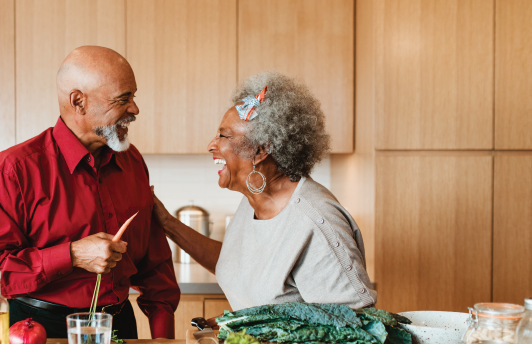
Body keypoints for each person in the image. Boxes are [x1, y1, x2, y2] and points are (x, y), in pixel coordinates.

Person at [0, 46, 180, 339]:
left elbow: (154, 266)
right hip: (38, 333)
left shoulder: (133, 163)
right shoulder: (12, 170)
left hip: (120, 328)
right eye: (123, 99)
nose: (134, 109)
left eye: (133, 96)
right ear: (78, 101)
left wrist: (162, 340)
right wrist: (72, 255)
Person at [152, 71, 375, 312]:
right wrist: (166, 223)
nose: (211, 145)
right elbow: (234, 263)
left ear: (261, 150)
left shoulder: (315, 221)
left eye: (223, 135)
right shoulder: (253, 201)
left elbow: (357, 324)